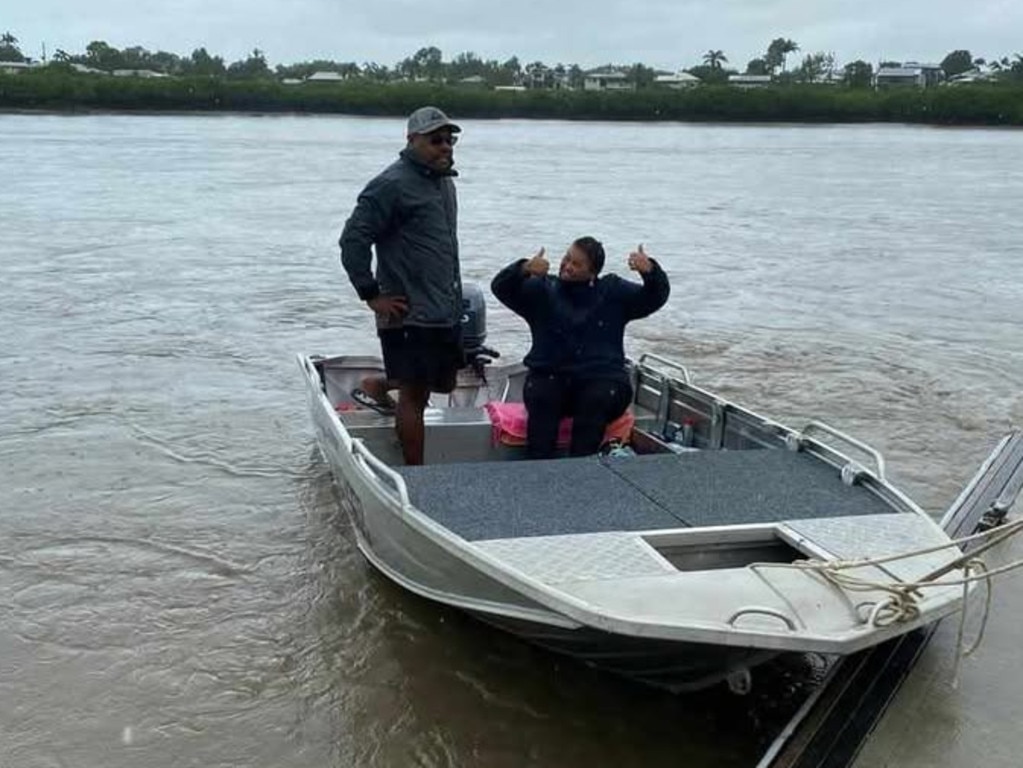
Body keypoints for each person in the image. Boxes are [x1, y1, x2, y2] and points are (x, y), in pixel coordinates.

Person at [339, 106, 464, 465]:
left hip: (444, 307)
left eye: (449, 140)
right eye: (435, 140)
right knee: (415, 397)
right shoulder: (389, 186)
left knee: (444, 384)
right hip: (408, 312)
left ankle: (378, 384)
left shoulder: (444, 182)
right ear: (412, 141)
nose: (445, 147)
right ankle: (416, 474)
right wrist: (371, 294)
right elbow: (353, 240)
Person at [491, 237, 670, 460]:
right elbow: (500, 287)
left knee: (594, 400)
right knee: (543, 397)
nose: (567, 266)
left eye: (576, 264)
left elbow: (655, 297)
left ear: (593, 272)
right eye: (567, 259)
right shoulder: (543, 290)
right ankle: (537, 469)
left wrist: (651, 271)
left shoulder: (612, 292)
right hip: (550, 377)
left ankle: (582, 468)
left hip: (602, 380)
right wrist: (523, 268)